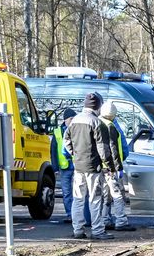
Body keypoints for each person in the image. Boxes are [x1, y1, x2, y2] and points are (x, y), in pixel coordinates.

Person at [62, 92, 113, 240]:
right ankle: (97, 230)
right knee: (95, 198)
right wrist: (109, 165)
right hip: (93, 167)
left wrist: (75, 154)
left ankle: (78, 229)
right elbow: (103, 148)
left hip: (78, 166)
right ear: (98, 106)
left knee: (78, 198)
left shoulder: (74, 121)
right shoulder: (97, 123)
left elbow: (67, 141)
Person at [98, 104, 135, 232]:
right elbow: (113, 149)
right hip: (111, 168)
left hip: (100, 167)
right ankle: (121, 220)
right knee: (118, 194)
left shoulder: (96, 123)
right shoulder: (110, 126)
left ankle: (105, 219)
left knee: (105, 196)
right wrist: (117, 168)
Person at [50, 108, 78, 223]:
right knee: (67, 193)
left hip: (77, 166)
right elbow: (53, 151)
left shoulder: (77, 129)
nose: (72, 121)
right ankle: (70, 214)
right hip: (64, 167)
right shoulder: (57, 132)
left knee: (78, 193)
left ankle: (77, 214)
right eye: (70, 119)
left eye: (73, 119)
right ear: (65, 119)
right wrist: (55, 167)